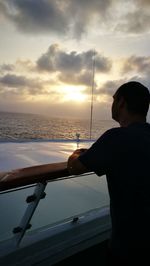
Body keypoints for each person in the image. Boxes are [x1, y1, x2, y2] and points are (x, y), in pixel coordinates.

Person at [67, 81, 150, 265]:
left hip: (128, 249)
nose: (111, 105)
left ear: (121, 103)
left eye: (113, 99)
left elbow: (75, 167)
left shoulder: (117, 138)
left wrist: (76, 153)